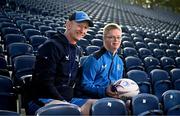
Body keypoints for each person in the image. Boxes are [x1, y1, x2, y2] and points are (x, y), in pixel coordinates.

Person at [26, 11, 96, 115]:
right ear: (68, 25)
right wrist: (63, 102)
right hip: (44, 98)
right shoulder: (52, 46)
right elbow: (45, 82)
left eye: (86, 28)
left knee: (97, 105)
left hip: (67, 100)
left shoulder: (78, 50)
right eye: (80, 26)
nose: (83, 30)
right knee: (69, 110)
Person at [80, 23, 124, 99]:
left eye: (118, 37)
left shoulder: (120, 61)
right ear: (104, 38)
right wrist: (104, 91)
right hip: (95, 100)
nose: (116, 40)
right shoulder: (94, 59)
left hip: (112, 99)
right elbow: (84, 85)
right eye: (111, 37)